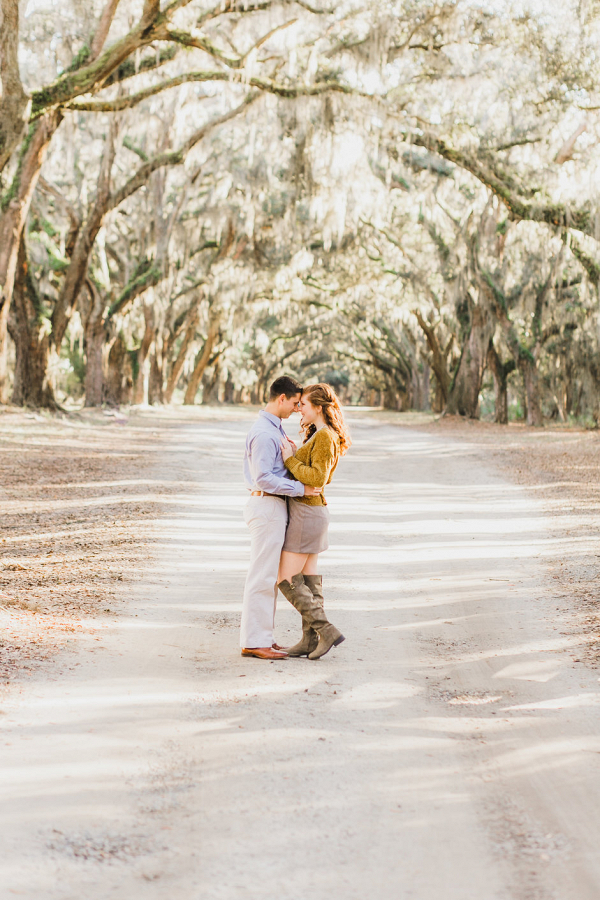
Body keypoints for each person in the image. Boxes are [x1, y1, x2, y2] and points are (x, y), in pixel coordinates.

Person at [241, 376, 323, 660]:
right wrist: (301, 487)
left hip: (274, 507)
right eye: (294, 402)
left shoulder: (273, 429)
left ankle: (263, 637)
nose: (296, 408)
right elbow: (263, 478)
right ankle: (254, 641)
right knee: (262, 576)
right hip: (266, 507)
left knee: (268, 578)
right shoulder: (265, 433)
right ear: (281, 399)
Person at [277, 383, 351, 660]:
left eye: (304, 405)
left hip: (307, 514)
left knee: (285, 578)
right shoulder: (322, 436)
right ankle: (309, 641)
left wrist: (289, 460)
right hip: (312, 512)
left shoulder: (324, 437)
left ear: (318, 407)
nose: (300, 410)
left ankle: (327, 631)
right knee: (309, 581)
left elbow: (317, 479)